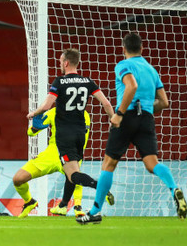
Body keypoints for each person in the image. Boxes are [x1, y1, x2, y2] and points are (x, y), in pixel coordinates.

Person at [77, 33, 187, 224]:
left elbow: (131, 86)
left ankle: (95, 211)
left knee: (108, 164)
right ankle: (174, 188)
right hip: (146, 118)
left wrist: (119, 114)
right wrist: (144, 109)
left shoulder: (123, 65)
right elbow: (164, 102)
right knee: (152, 164)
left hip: (126, 116)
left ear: (123, 49)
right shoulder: (152, 70)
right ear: (142, 49)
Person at [19, 48, 115, 218]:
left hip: (64, 135)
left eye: (60, 61)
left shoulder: (59, 81)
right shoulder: (88, 81)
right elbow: (106, 104)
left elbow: (47, 106)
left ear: (66, 62)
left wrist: (34, 113)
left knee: (73, 174)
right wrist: (114, 120)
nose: (60, 64)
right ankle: (63, 205)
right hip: (80, 134)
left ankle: (99, 186)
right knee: (71, 174)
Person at [14, 107, 113, 218]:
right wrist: (35, 127)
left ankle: (77, 206)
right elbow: (31, 132)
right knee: (18, 179)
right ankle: (30, 201)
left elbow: (30, 133)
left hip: (68, 154)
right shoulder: (55, 112)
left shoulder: (83, 115)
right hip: (50, 156)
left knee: (75, 177)